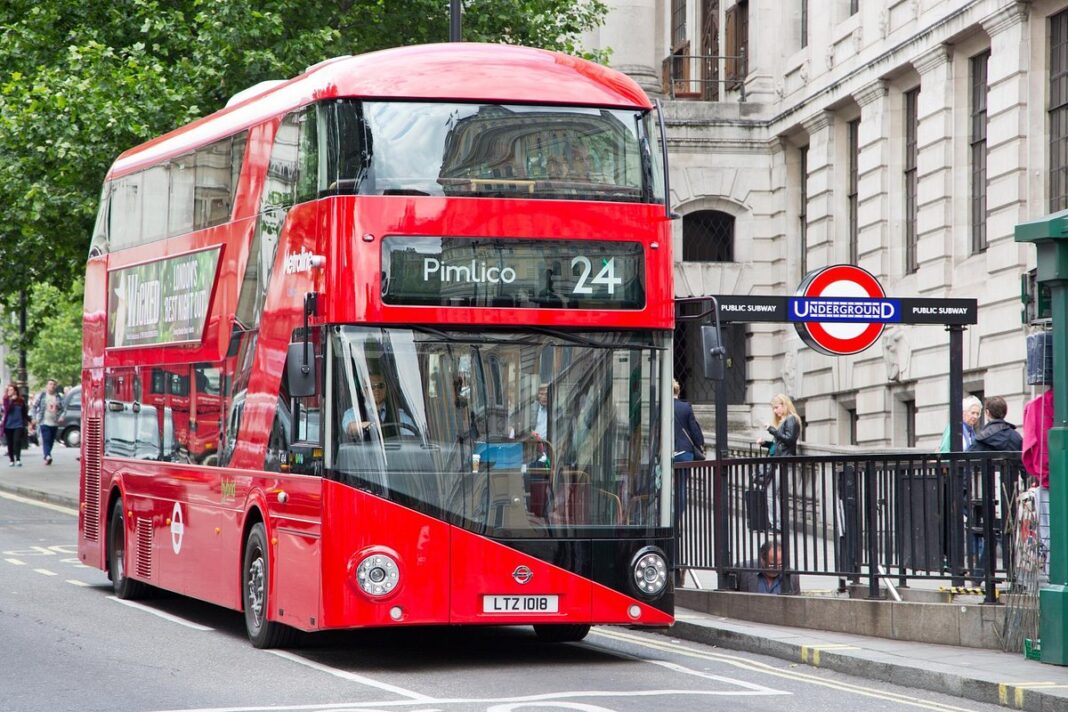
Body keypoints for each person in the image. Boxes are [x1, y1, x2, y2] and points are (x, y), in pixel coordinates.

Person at [966, 396, 1022, 584]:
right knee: (1009, 530)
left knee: (989, 531)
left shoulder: (981, 438)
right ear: (1004, 413)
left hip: (985, 492)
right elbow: (1024, 464)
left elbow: (968, 462)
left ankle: (981, 574)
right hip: (1010, 491)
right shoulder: (1015, 436)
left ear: (987, 413)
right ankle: (1011, 573)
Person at [757, 393, 801, 531]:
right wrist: (765, 444)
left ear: (784, 404)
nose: (775, 411)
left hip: (784, 462)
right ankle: (777, 524)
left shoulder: (791, 419)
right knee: (774, 493)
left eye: (776, 407)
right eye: (773, 408)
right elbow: (780, 444)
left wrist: (772, 430)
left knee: (771, 493)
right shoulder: (785, 421)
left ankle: (777, 525)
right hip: (779, 461)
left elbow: (789, 440)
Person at [341, 372, 416, 440]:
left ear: (386, 389)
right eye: (371, 387)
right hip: (363, 455)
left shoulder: (399, 415)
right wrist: (366, 425)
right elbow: (350, 428)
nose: (377, 390)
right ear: (363, 392)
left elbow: (411, 439)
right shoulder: (354, 413)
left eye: (380, 386)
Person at [32, 379, 64, 465]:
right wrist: (34, 418)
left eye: (54, 384)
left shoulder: (58, 397)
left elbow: (63, 409)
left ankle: (47, 455)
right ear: (47, 386)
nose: (52, 386)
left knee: (51, 440)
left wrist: (61, 417)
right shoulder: (42, 396)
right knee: (46, 439)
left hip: (54, 422)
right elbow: (34, 407)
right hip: (44, 421)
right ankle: (47, 456)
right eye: (50, 384)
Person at [2, 384, 30, 467]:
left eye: (11, 390)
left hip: (18, 424)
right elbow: (7, 410)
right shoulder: (6, 399)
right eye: (9, 390)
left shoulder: (20, 400)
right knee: (10, 443)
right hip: (8, 425)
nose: (10, 391)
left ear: (15, 391)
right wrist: (11, 401)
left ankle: (18, 459)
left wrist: (30, 421)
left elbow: (24, 413)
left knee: (17, 441)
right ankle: (11, 459)